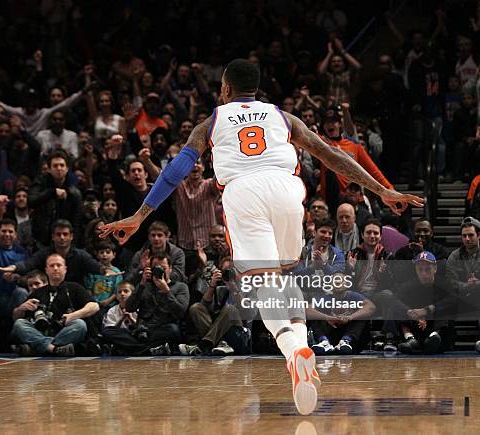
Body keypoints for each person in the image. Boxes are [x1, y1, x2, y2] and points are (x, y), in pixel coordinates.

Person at [99, 59, 423, 415]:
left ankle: (291, 352)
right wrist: (383, 190)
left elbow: (177, 169)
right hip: (286, 189)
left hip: (243, 191)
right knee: (286, 278)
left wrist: (140, 215)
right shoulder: (283, 118)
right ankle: (302, 348)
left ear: (225, 90)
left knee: (262, 284)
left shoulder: (212, 122)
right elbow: (332, 155)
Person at [11, 253, 99, 356]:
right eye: (52, 266)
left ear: (65, 269)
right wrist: (21, 308)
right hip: (41, 331)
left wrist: (73, 316)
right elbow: (16, 318)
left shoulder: (75, 287)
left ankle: (38, 348)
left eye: (59, 265)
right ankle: (54, 349)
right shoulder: (37, 292)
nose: (55, 268)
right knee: (19, 324)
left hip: (65, 332)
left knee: (80, 325)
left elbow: (94, 306)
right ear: (46, 270)